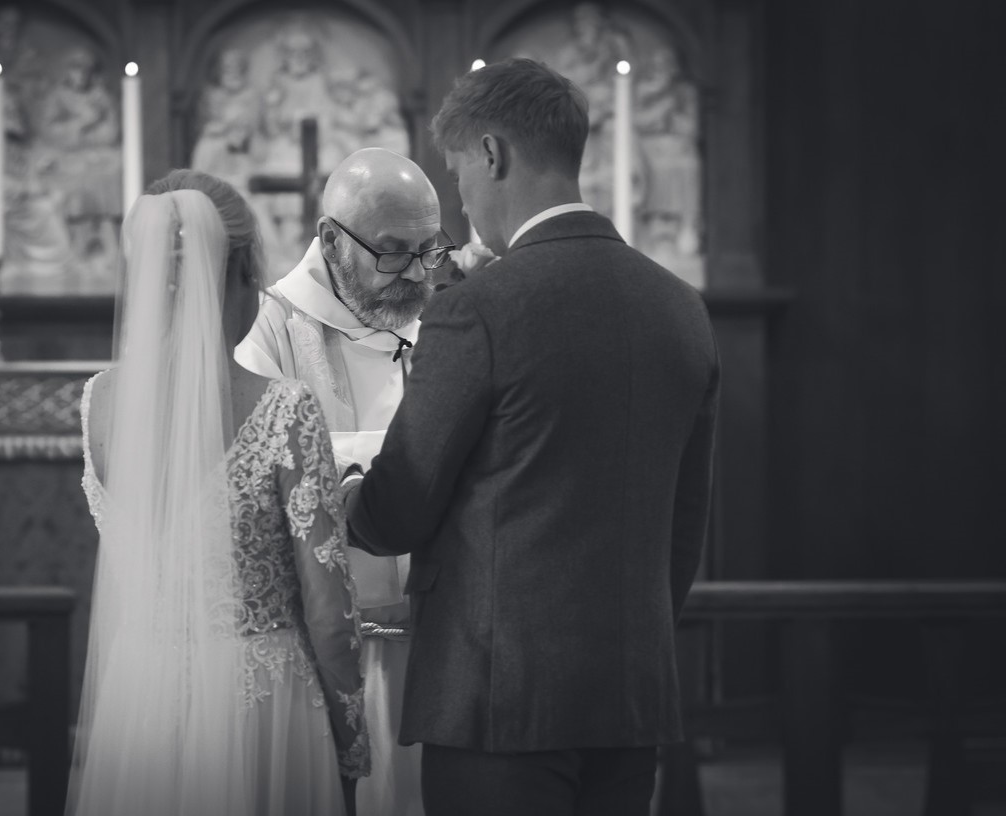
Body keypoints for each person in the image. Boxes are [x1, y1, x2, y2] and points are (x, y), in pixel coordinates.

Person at [342, 58, 720, 815]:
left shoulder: (479, 309)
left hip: (500, 703)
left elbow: (403, 508)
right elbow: (685, 524)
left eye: (457, 176)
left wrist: (349, 490)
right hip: (629, 696)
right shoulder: (682, 308)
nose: (464, 200)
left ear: (492, 154)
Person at [68, 169, 370, 816]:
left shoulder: (97, 405)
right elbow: (329, 616)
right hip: (264, 707)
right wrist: (352, 750)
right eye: (253, 276)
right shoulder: (285, 410)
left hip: (139, 699)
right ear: (231, 277)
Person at [236, 148, 453, 816]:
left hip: (435, 636)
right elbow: (254, 469)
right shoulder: (268, 327)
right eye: (392, 252)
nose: (416, 274)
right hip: (323, 646)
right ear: (330, 239)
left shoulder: (447, 319)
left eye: (429, 251)